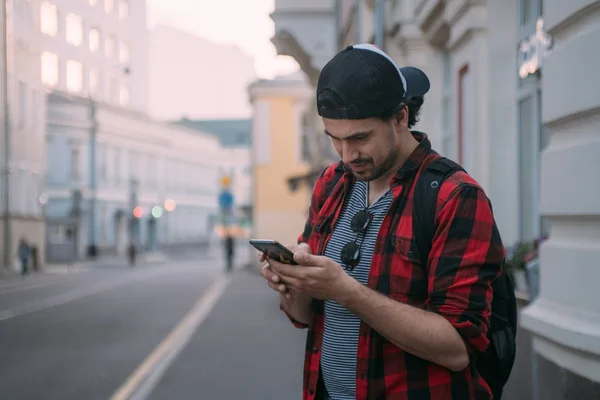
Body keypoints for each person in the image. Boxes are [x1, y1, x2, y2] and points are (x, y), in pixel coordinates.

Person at [260, 44, 506, 400]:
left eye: (360, 138)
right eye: (336, 140)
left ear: (401, 118)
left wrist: (345, 290)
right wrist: (292, 282)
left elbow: (457, 349)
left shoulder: (453, 196)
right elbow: (306, 316)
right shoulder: (332, 183)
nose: (348, 156)